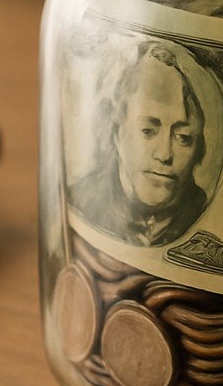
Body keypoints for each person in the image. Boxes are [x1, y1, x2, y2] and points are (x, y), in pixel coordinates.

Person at [70, 42, 209, 246]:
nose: (164, 154)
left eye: (183, 138)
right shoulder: (81, 201)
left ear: (198, 149)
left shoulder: (203, 211)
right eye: (148, 131)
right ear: (116, 133)